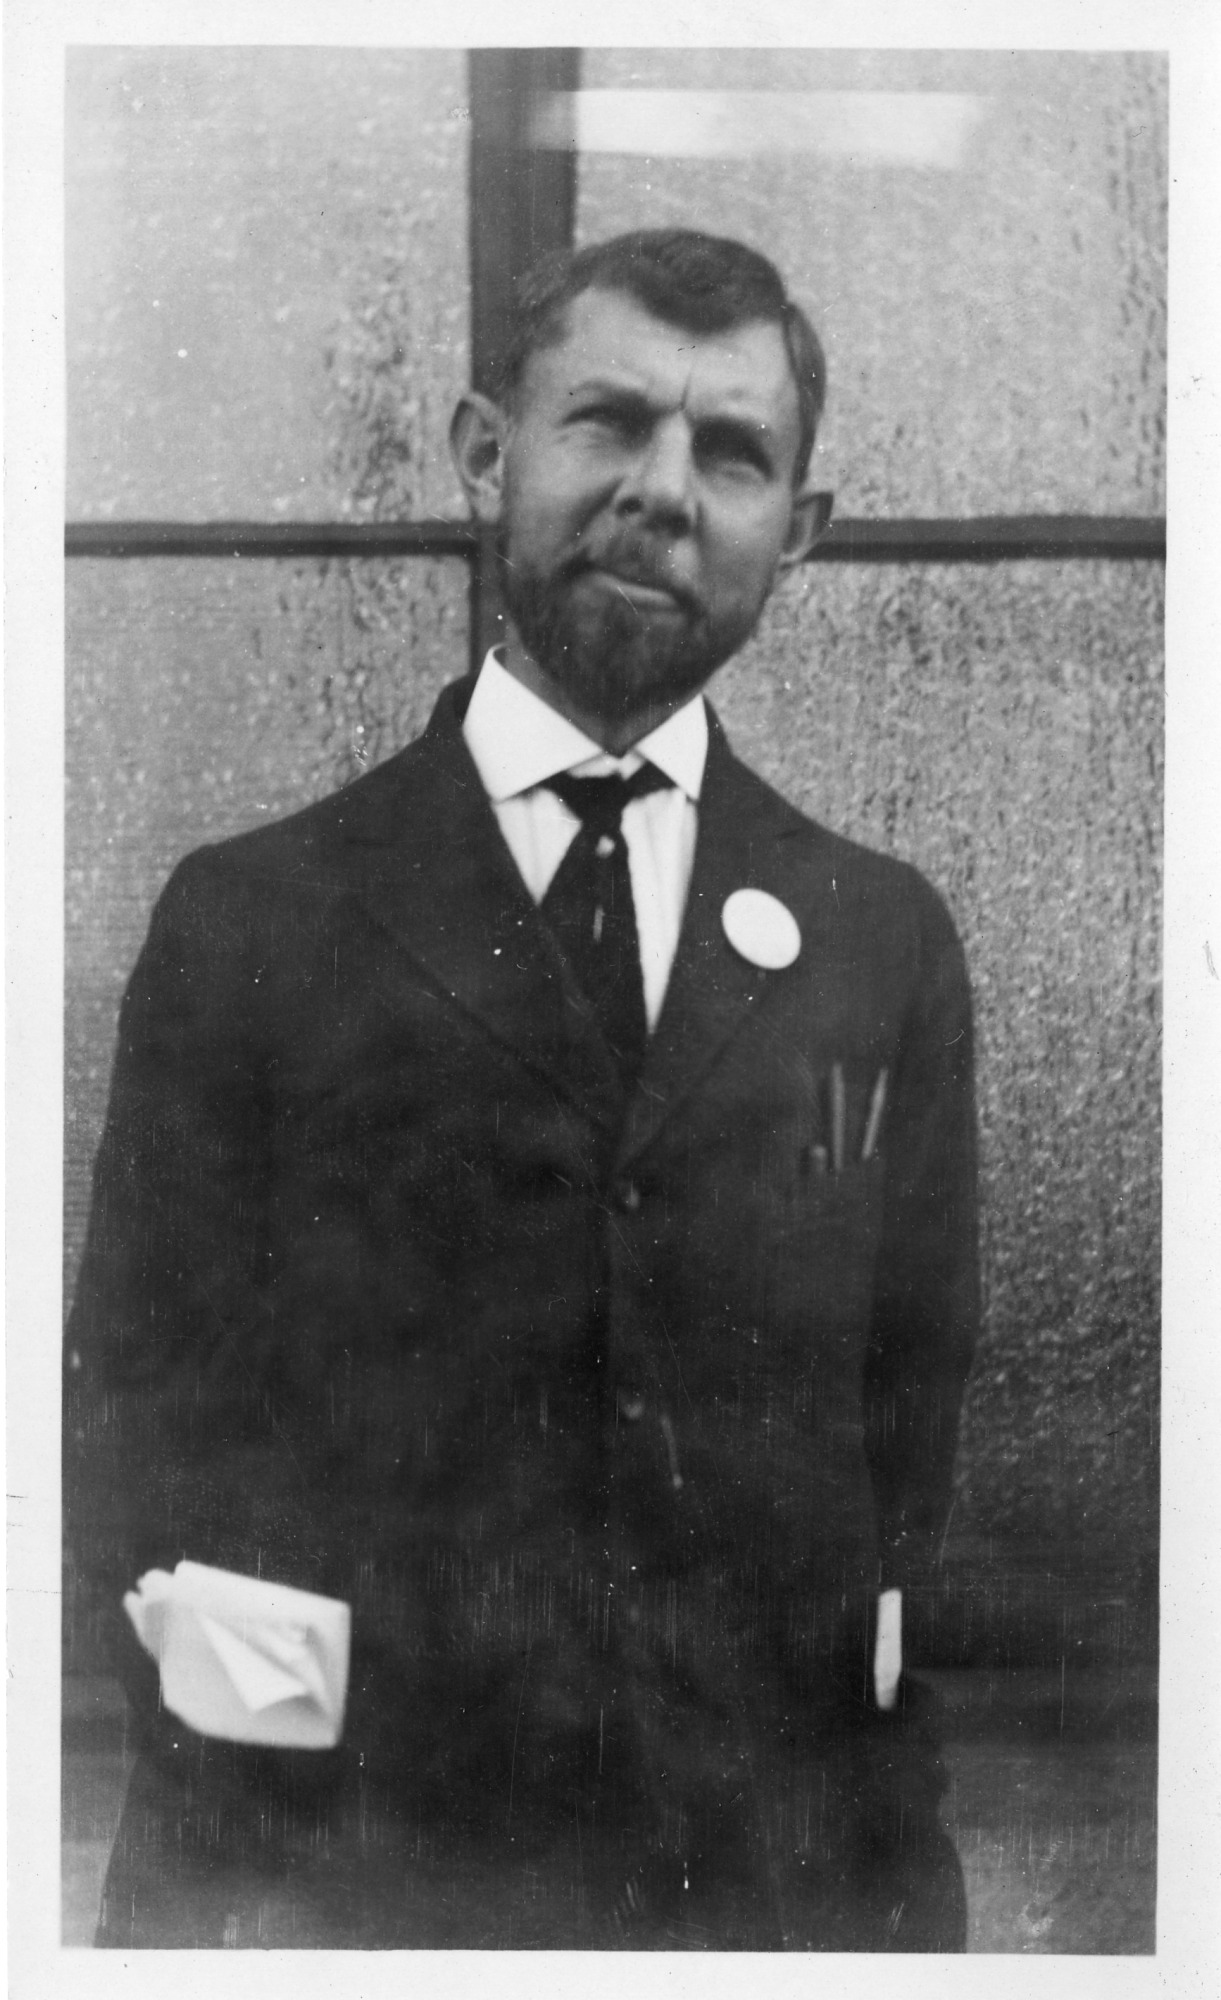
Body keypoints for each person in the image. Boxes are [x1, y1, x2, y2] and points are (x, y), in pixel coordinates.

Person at [66, 229, 979, 1950]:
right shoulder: (256, 916)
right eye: (607, 423)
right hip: (352, 1882)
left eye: (731, 454)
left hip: (765, 1901)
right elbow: (141, 1421)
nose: (662, 493)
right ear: (486, 453)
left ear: (800, 530)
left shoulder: (878, 947)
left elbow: (897, 1433)